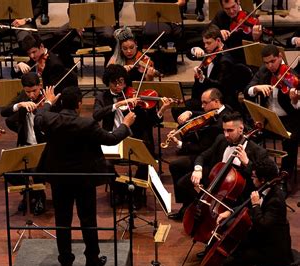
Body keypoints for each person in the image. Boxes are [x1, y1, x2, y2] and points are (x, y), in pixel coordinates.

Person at [34, 86, 135, 266]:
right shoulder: (87, 124)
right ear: (79, 104)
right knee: (88, 220)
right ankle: (92, 259)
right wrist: (126, 124)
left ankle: (65, 261)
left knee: (62, 221)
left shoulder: (49, 120)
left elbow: (39, 116)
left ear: (61, 102)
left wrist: (48, 101)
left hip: (59, 179)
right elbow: (112, 139)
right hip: (84, 180)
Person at [218, 159, 293, 266]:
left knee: (231, 262)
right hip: (265, 242)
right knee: (234, 253)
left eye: (253, 177)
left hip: (275, 251)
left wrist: (256, 206)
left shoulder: (276, 199)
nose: (252, 179)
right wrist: (230, 212)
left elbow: (263, 225)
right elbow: (246, 207)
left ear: (263, 179)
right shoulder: (266, 189)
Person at [93, 64, 172, 208]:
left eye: (122, 81)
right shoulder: (102, 97)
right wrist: (118, 104)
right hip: (112, 139)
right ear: (108, 83)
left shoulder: (134, 96)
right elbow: (96, 115)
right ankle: (118, 191)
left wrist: (161, 110)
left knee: (145, 162)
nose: (119, 86)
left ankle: (136, 193)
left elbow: (150, 122)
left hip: (134, 139)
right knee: (104, 163)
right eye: (115, 83)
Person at [173, 112, 268, 219]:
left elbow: (262, 178)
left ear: (241, 129)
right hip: (216, 182)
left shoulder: (256, 151)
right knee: (183, 183)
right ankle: (192, 207)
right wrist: (198, 170)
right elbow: (203, 156)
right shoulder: (221, 139)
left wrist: (247, 163)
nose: (226, 134)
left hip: (237, 194)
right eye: (224, 130)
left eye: (230, 130)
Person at [167, 88, 233, 220]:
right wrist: (190, 112)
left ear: (215, 101)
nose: (202, 106)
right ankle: (185, 206)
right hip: (204, 155)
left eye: (204, 103)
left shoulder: (221, 124)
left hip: (212, 161)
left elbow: (201, 149)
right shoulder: (220, 110)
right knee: (175, 165)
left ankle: (197, 205)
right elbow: (203, 115)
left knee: (183, 182)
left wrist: (180, 144)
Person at [244, 44, 299, 194]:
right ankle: (259, 173)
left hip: (289, 120)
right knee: (250, 137)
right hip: (268, 119)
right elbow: (247, 89)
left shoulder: (291, 75)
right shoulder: (263, 72)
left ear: (280, 57)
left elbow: (298, 107)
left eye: (273, 61)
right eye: (266, 62)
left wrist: (295, 100)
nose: (270, 66)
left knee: (290, 140)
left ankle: (284, 179)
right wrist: (257, 88)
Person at [1, 73, 47, 215]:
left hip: (44, 146)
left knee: (34, 170)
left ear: (40, 86)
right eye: (28, 92)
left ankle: (40, 197)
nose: (32, 95)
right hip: (26, 144)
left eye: (34, 91)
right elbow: (4, 112)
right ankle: (29, 193)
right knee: (8, 172)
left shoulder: (48, 98)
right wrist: (19, 105)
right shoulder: (23, 97)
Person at [186, 25, 237, 115]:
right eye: (204, 43)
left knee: (181, 110)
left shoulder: (225, 60)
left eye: (208, 43)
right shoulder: (211, 52)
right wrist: (194, 49)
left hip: (218, 101)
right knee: (178, 108)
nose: (205, 46)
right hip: (204, 97)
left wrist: (203, 78)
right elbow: (189, 54)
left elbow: (220, 86)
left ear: (218, 41)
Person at [12, 34, 78, 97]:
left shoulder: (55, 65)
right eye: (29, 53)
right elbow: (13, 75)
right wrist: (18, 66)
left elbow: (53, 91)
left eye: (34, 52)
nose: (32, 56)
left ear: (41, 46)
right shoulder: (33, 59)